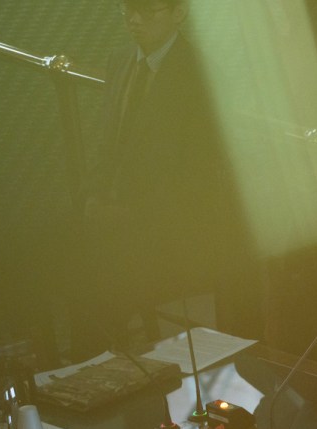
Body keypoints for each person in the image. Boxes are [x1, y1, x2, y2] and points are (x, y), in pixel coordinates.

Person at [73, 0, 253, 358]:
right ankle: (94, 372)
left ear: (179, 12)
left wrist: (131, 212)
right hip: (119, 212)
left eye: (146, 10)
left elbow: (193, 171)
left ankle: (122, 366)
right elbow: (108, 140)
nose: (134, 20)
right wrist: (93, 195)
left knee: (105, 286)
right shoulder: (121, 59)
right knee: (62, 265)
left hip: (166, 223)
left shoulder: (200, 71)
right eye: (127, 10)